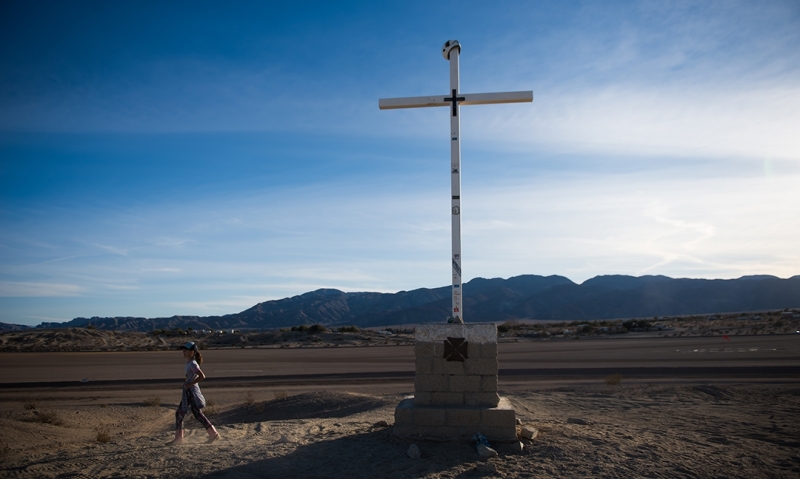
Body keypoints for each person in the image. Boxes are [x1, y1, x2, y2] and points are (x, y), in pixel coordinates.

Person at [167, 341, 220, 445]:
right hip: (189, 391)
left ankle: (179, 438)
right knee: (191, 413)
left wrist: (190, 384)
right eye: (183, 349)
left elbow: (202, 376)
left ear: (192, 352)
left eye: (186, 350)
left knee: (183, 413)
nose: (183, 351)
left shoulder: (193, 364)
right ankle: (213, 434)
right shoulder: (189, 363)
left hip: (191, 392)